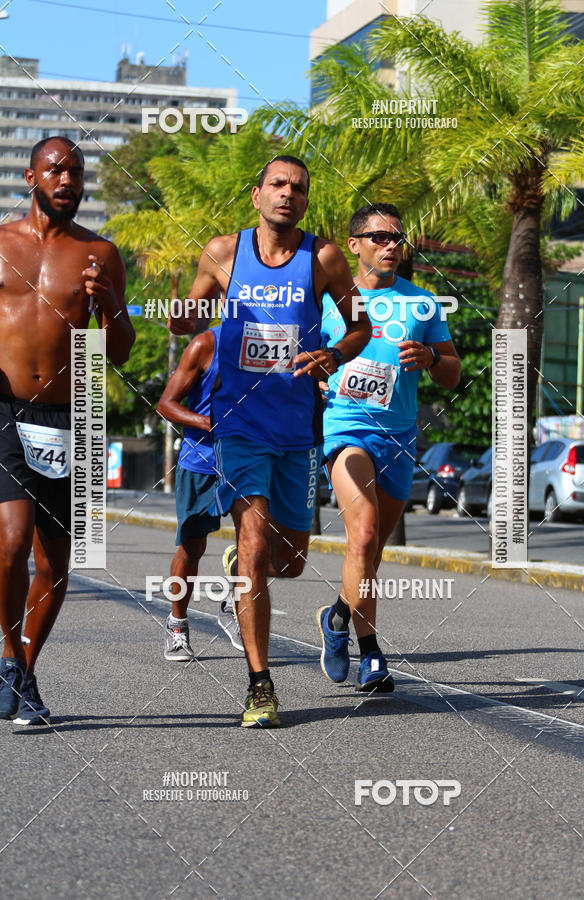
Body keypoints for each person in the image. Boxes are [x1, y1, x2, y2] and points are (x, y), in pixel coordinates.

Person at [170, 155, 371, 726]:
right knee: (255, 548)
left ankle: (244, 562)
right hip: (240, 425)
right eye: (278, 185)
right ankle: (261, 685)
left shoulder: (325, 258)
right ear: (257, 194)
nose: (288, 194)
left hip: (297, 429)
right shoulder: (223, 252)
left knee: (291, 562)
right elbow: (190, 314)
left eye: (299, 188)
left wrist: (333, 352)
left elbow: (360, 327)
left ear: (306, 201)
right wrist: (181, 318)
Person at [0, 136, 134, 724]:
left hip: (74, 413)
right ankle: (9, 662)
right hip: (5, 408)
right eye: (56, 170)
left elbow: (121, 352)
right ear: (31, 177)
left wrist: (111, 308)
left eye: (76, 173)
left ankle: (24, 672)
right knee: (10, 545)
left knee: (56, 565)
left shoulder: (99, 254)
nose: (68, 180)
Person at [317, 202, 461, 691]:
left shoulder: (423, 304)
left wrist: (430, 357)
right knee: (362, 536)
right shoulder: (329, 301)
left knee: (371, 553)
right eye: (379, 237)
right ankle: (371, 653)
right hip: (345, 430)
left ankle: (337, 616)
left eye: (397, 238)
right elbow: (297, 358)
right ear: (354, 244)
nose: (391, 246)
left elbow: (453, 373)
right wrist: (315, 377)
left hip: (400, 438)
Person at [156, 324, 243, 659]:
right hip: (202, 461)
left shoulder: (276, 341)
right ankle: (177, 623)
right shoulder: (206, 344)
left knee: (263, 543)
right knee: (192, 547)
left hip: (249, 459)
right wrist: (208, 423)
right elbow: (167, 403)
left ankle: (232, 604)